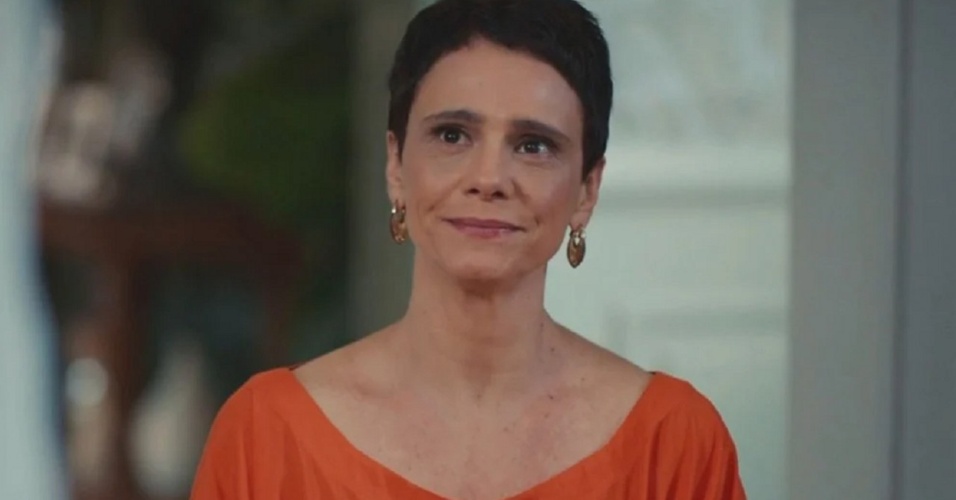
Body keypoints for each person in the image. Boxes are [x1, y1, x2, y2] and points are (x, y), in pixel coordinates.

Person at [191, 0, 746, 498]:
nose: (488, 178)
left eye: (534, 145)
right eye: (453, 135)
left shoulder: (672, 441)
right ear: (396, 167)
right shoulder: (267, 434)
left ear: (587, 190)